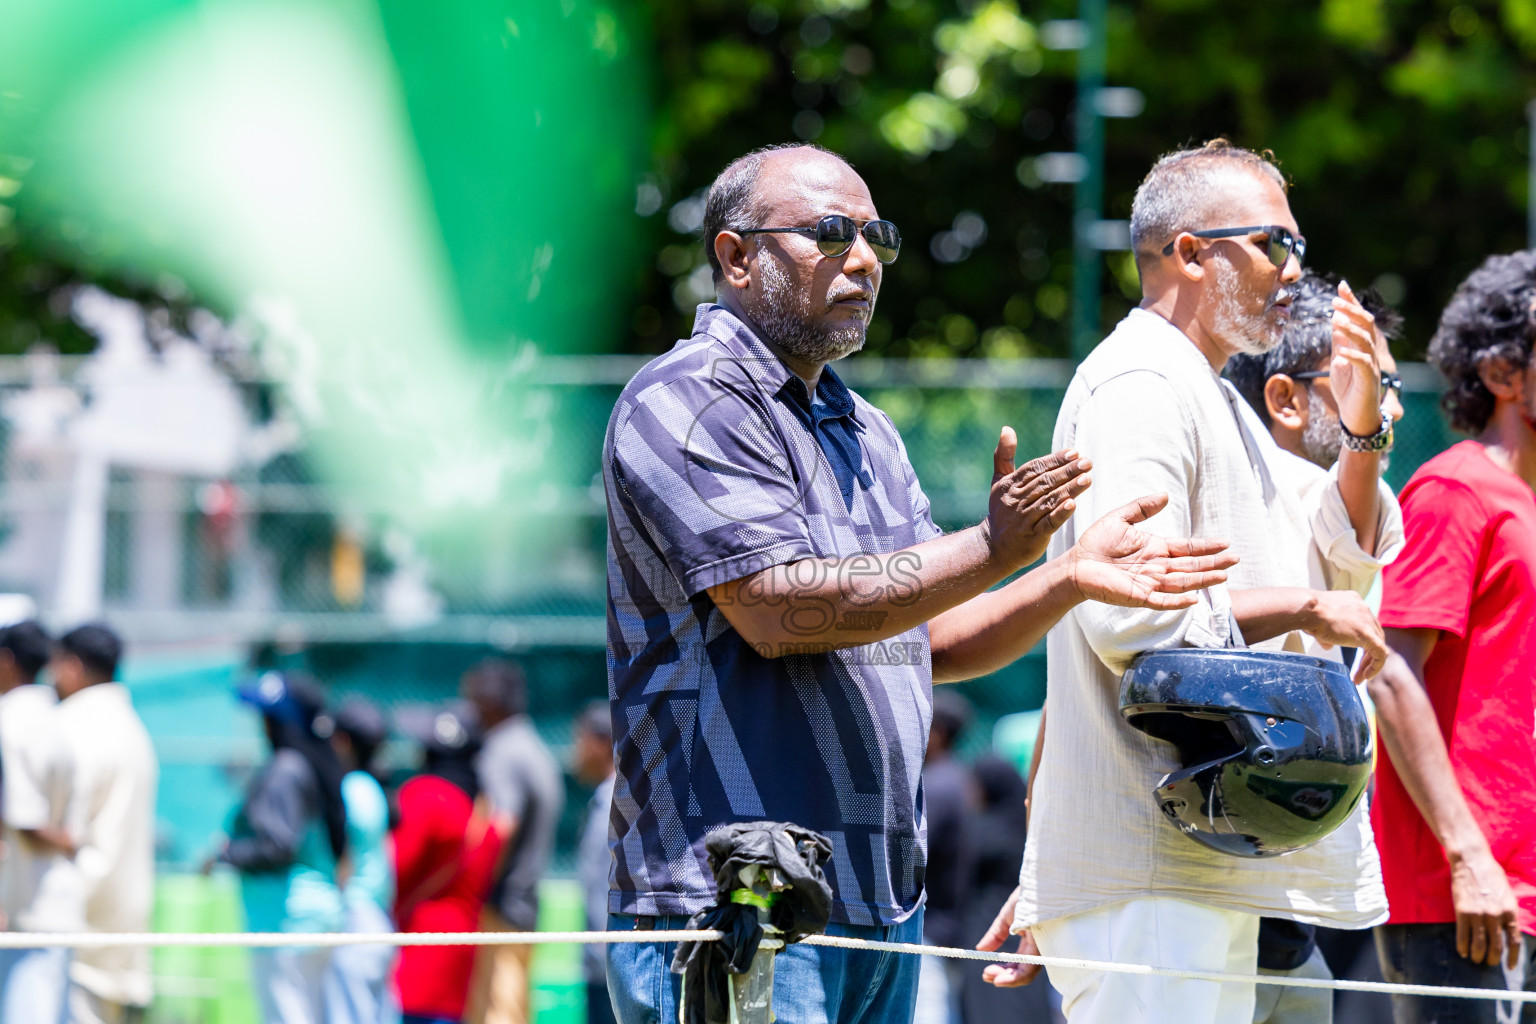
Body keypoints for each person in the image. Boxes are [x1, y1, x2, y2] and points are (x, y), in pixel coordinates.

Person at [602, 141, 1235, 1024]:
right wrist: (992, 547)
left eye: (878, 238)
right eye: (831, 233)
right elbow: (779, 607)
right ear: (737, 257)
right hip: (735, 904)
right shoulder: (686, 399)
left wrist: (1065, 579)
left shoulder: (867, 430)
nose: (865, 260)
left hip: (876, 906)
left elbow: (930, 637)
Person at [982, 140, 1394, 1024]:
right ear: (1193, 253)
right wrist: (1305, 607)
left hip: (1199, 873)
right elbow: (1133, 620)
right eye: (1275, 244)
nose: (1295, 270)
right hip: (1152, 869)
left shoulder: (1208, 390)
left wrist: (1364, 429)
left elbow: (1336, 549)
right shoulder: (1142, 381)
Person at [1225, 271, 1409, 1024]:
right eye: (1369, 385)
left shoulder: (1328, 510)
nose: (1390, 409)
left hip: (1290, 925)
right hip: (1201, 905)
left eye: (1388, 388)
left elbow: (1352, 528)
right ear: (1286, 399)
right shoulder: (1222, 491)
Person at [1366, 251, 1536, 1020]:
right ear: (1501, 372)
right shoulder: (1455, 489)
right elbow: (1389, 672)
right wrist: (1469, 856)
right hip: (1462, 899)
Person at [218, 671, 348, 1024]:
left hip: (286, 919)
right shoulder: (314, 764)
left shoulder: (285, 769)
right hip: (313, 913)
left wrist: (225, 854)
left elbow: (277, 847)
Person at [51, 623, 158, 1024]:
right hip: (122, 922)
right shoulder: (132, 728)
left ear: (72, 667)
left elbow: (62, 828)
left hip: (73, 925)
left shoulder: (71, 726)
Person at [461, 658, 564, 1024]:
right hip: (525, 901)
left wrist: (468, 886)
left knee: (496, 1010)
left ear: (488, 701)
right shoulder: (533, 745)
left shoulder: (501, 750)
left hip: (500, 904)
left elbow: (501, 826)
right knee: (515, 1007)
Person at [393, 703, 510, 1024]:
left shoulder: (424, 796)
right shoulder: (483, 809)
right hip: (460, 951)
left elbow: (394, 871)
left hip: (414, 951)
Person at [0, 619, 79, 1024]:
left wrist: (69, 841)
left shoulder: (10, 720)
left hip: (27, 908)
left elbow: (25, 820)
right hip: (58, 902)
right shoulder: (57, 715)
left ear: (7, 661)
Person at [323, 698, 396, 1024]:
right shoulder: (373, 788)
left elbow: (345, 856)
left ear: (344, 742)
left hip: (354, 919)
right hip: (378, 918)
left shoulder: (349, 790)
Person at [914, 690, 974, 1024]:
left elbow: (911, 854)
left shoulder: (934, 785)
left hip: (928, 928)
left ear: (936, 733)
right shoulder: (962, 778)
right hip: (953, 925)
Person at [571, 701, 617, 1024]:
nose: (575, 751)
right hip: (601, 953)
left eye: (580, 740)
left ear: (600, 744)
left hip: (610, 954)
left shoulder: (617, 801)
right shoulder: (603, 799)